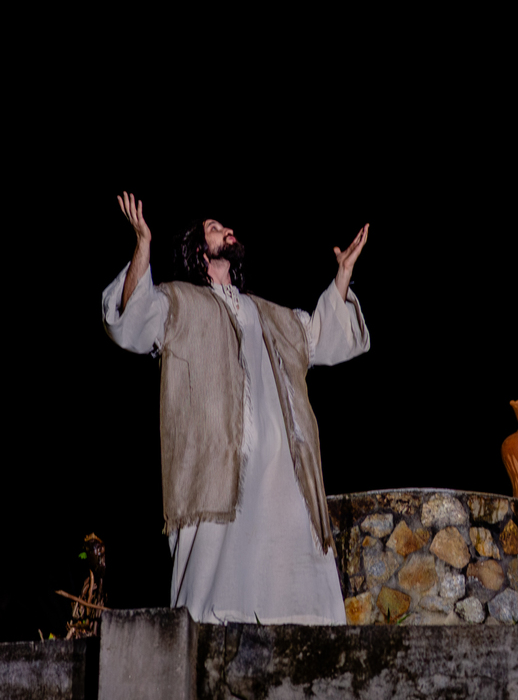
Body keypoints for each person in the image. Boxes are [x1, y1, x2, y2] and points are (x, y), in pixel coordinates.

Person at [102, 192, 370, 625]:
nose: (227, 230)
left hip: (283, 473)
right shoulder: (180, 302)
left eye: (226, 227)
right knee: (214, 583)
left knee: (294, 577)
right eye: (214, 228)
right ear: (197, 251)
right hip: (215, 471)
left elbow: (320, 334)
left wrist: (342, 277)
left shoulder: (268, 313)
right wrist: (142, 246)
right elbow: (131, 320)